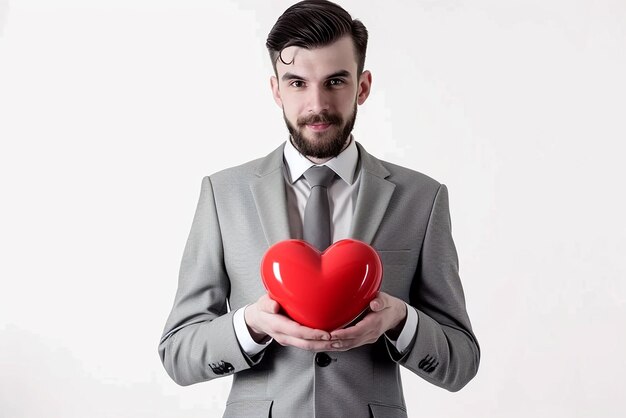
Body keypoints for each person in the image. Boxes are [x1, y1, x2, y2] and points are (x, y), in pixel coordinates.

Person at [158, 1, 480, 417]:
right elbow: (178, 354)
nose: (316, 104)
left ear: (362, 86)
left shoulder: (422, 198)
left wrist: (399, 319)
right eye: (297, 83)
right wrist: (251, 325)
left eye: (334, 82)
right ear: (276, 90)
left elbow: (461, 363)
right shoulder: (224, 194)